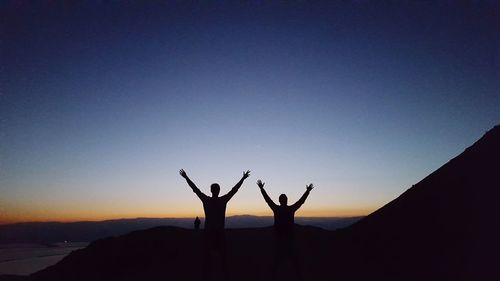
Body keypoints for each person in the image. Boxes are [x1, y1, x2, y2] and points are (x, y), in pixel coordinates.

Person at [180, 169, 250, 280]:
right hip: (219, 233)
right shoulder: (223, 200)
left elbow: (195, 189)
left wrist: (186, 177)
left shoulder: (206, 200)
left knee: (207, 259)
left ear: (211, 190)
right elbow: (234, 190)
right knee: (223, 259)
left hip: (209, 233)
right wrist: (243, 178)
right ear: (218, 190)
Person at [257, 179, 314, 281]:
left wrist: (262, 189)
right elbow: (301, 201)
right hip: (289, 239)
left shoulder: (276, 209)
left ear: (280, 200)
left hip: (280, 239)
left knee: (277, 261)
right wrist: (308, 191)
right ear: (286, 200)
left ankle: (274, 277)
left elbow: (267, 200)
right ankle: (298, 276)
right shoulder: (290, 209)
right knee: (293, 261)